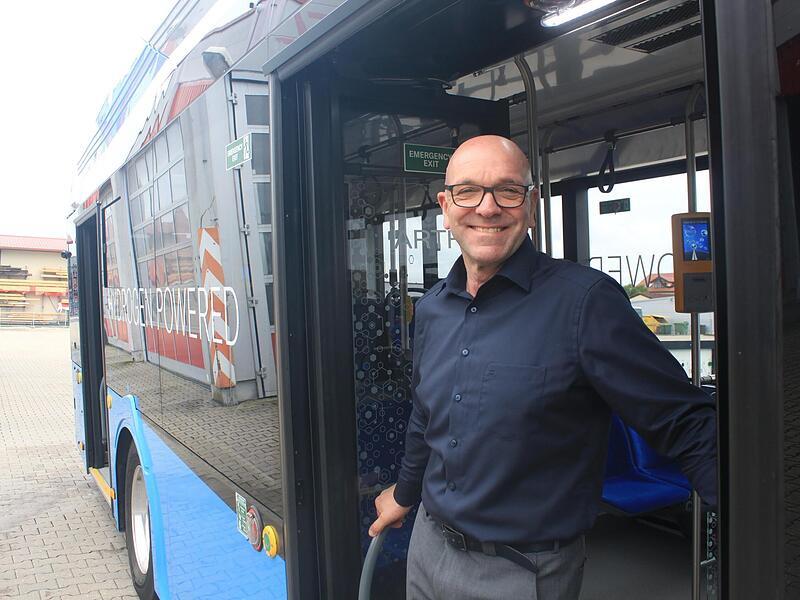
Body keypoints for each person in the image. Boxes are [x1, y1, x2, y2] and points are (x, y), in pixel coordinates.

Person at [368, 135, 717, 600]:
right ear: (446, 206)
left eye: (507, 191)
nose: (487, 208)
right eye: (468, 191)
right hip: (427, 550)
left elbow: (688, 422)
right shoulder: (432, 308)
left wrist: (756, 544)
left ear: (531, 206)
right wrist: (404, 493)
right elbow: (425, 416)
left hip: (521, 571)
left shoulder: (586, 304)